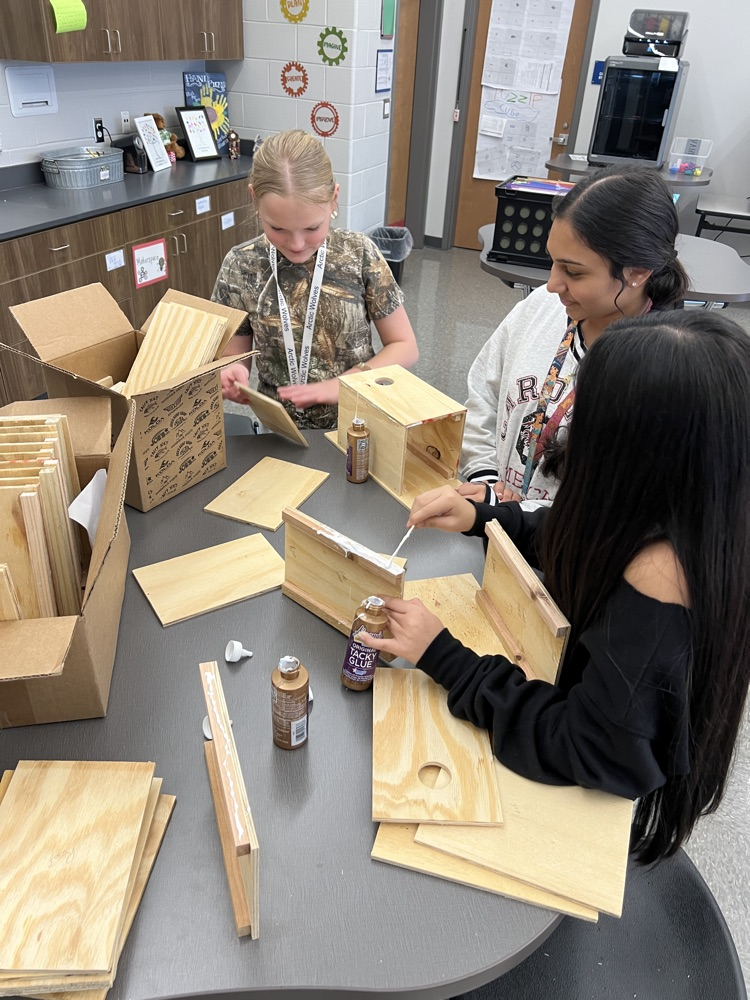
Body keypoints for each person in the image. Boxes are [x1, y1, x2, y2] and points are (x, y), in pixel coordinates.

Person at [360, 311, 750, 864]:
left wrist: (446, 658)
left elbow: (583, 745)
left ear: (633, 450)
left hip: (583, 792)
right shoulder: (682, 504)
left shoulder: (662, 586)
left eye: (586, 421)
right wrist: (487, 518)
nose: (570, 431)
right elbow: (582, 535)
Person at [460, 164, 689, 504]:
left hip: (569, 546)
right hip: (495, 523)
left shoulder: (664, 370)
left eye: (574, 272)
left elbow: (623, 505)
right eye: (553, 261)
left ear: (638, 272)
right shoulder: (542, 306)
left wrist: (518, 517)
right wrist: (486, 480)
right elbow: (484, 394)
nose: (552, 284)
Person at [211, 129, 419, 429]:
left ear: (334, 199)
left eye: (312, 228)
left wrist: (344, 384)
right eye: (278, 228)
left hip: (361, 424)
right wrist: (233, 373)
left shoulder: (359, 254)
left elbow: (405, 345)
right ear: (254, 198)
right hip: (279, 430)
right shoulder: (241, 265)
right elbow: (235, 353)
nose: (296, 244)